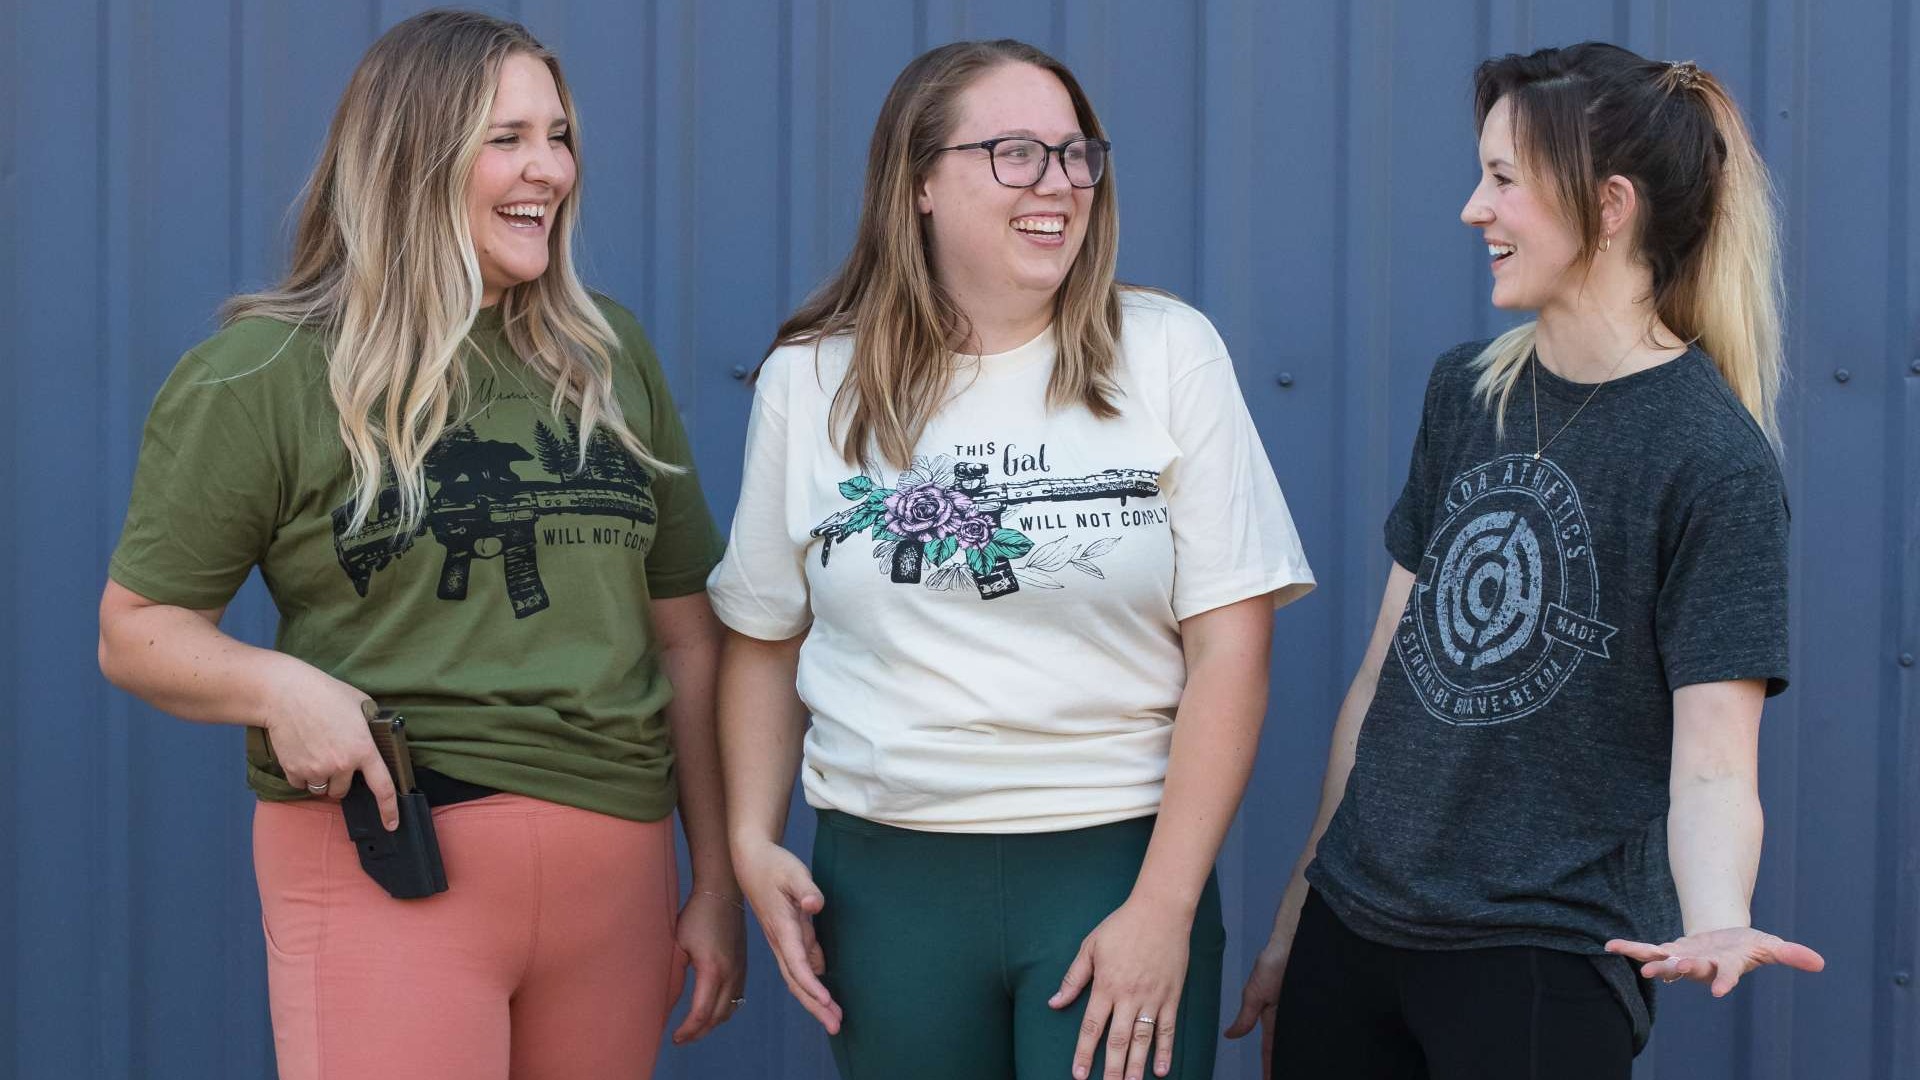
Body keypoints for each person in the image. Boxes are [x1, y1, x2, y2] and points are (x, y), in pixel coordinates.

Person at [95, 11, 743, 1078]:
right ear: (411, 158)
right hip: (391, 863)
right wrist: (279, 688)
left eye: (559, 134)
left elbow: (686, 639)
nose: (550, 169)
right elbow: (137, 631)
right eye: (508, 139)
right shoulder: (265, 375)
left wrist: (712, 880)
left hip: (616, 877)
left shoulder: (606, 354)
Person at [707, 37, 1314, 1080]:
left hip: (1114, 867)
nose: (1061, 185)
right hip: (885, 884)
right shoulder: (811, 380)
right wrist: (750, 843)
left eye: (1079, 155)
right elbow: (764, 637)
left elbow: (1231, 654)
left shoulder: (1167, 352)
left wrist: (1163, 909)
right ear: (922, 183)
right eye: (1017, 154)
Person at [1227, 42, 1824, 1080]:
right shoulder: (1467, 393)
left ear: (1610, 207)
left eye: (1503, 179)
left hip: (1541, 963)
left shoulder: (1711, 460)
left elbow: (1718, 760)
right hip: (1355, 934)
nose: (1474, 209)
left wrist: (1720, 915)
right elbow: (1383, 681)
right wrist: (1296, 916)